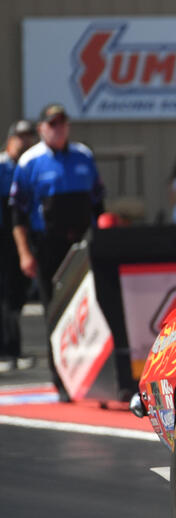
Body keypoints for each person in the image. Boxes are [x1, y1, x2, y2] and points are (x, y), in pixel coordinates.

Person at [10, 103, 105, 400]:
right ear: (42, 129)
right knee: (54, 311)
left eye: (63, 123)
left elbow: (99, 201)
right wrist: (25, 253)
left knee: (88, 307)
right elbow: (18, 215)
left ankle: (91, 372)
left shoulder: (83, 156)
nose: (59, 128)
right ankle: (59, 377)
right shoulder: (30, 162)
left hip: (81, 244)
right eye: (52, 124)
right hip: (47, 245)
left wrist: (101, 237)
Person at [0, 119, 38, 372]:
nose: (24, 142)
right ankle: (6, 351)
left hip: (20, 237)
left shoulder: (27, 165)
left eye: (28, 137)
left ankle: (13, 349)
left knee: (16, 294)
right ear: (10, 138)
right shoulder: (2, 164)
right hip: (2, 235)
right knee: (3, 295)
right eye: (20, 136)